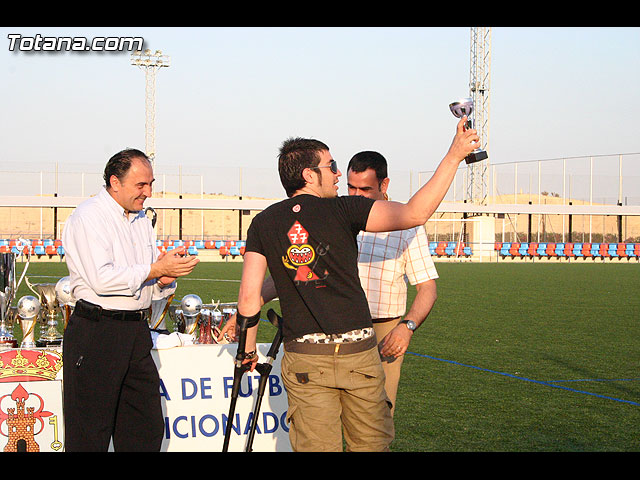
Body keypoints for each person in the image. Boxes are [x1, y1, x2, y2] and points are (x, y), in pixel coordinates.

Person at [232, 116, 478, 452]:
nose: (337, 174)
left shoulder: (263, 223)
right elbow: (415, 213)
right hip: (358, 355)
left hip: (305, 359)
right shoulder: (344, 209)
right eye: (331, 166)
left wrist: (246, 351)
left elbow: (249, 299)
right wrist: (454, 156)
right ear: (309, 175)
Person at [61, 148, 199, 451]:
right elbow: (102, 279)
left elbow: (144, 286)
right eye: (141, 185)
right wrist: (155, 269)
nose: (148, 192)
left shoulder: (141, 221)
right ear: (115, 182)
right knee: (89, 435)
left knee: (144, 430)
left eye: (150, 184)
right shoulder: (88, 217)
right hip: (97, 331)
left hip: (136, 332)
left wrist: (163, 280)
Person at [347, 151, 438, 416]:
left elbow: (428, 288)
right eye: (351, 188)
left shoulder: (406, 224)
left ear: (384, 185)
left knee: (378, 418)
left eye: (365, 189)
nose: (356, 195)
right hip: (339, 328)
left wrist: (406, 328)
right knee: (333, 415)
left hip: (385, 333)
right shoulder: (338, 216)